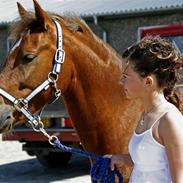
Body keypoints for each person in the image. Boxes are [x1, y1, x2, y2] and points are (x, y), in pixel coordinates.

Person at [106, 36, 183, 183]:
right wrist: (122, 158)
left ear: (148, 82)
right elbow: (151, 163)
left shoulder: (169, 120)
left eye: (126, 76)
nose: (121, 81)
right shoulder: (146, 114)